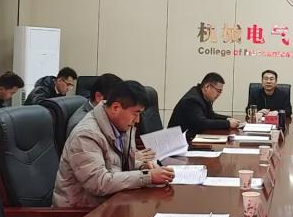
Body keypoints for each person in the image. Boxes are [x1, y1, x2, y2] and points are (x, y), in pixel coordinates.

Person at [53, 80, 174, 209]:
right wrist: (148, 177)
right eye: (135, 113)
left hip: (111, 204)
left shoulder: (122, 125)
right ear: (116, 108)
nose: (138, 120)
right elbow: (98, 183)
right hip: (81, 213)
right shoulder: (86, 135)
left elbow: (118, 164)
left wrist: (142, 166)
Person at [168, 72, 240, 136]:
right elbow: (201, 123)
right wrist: (228, 124)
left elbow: (210, 115)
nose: (219, 94)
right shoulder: (192, 100)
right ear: (207, 87)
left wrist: (228, 118)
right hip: (178, 142)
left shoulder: (202, 95)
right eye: (218, 91)